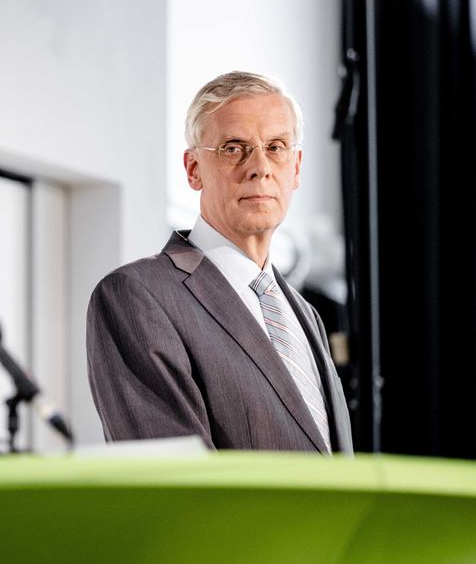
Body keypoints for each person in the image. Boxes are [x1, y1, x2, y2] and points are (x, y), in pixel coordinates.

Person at [86, 71, 353, 455]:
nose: (259, 166)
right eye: (233, 147)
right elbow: (175, 486)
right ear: (194, 169)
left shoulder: (305, 314)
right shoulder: (138, 296)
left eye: (276, 147)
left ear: (295, 168)